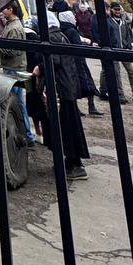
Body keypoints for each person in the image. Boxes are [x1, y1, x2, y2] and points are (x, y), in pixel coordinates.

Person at [33, 12, 90, 180]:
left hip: (60, 89)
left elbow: (54, 60)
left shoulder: (51, 37)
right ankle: (70, 161)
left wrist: (39, 68)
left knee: (66, 127)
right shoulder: (60, 35)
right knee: (68, 126)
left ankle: (75, 164)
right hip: (65, 87)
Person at [0, 3, 37, 146]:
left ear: (11, 10)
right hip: (11, 67)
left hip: (14, 68)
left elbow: (13, 50)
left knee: (18, 102)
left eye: (5, 8)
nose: (2, 11)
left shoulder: (14, 28)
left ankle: (27, 135)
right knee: (17, 102)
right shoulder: (10, 25)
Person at [58, 10, 102, 117]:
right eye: (72, 17)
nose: (75, 19)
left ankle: (77, 109)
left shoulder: (61, 30)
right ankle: (91, 107)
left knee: (74, 85)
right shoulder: (72, 31)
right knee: (88, 83)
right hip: (78, 61)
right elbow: (77, 45)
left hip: (69, 62)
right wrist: (88, 44)